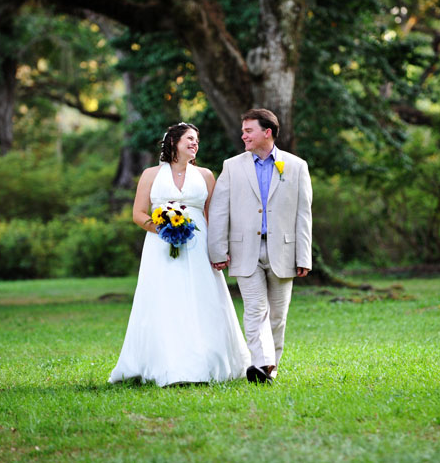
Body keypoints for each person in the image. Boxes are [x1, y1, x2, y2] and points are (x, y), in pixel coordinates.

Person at [109, 122, 250, 386]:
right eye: (189, 138)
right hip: (160, 247)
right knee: (165, 299)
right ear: (173, 142)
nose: (195, 143)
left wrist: (219, 248)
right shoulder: (150, 175)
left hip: (199, 247)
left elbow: (213, 216)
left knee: (203, 299)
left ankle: (208, 361)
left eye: (197, 139)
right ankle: (165, 363)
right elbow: (138, 214)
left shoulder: (207, 175)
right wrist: (162, 228)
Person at [208, 109, 313, 384]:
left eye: (248, 131)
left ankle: (271, 368)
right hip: (245, 251)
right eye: (243, 131)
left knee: (278, 315)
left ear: (267, 132)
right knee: (255, 309)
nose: (243, 136)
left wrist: (304, 256)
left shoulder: (296, 166)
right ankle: (261, 365)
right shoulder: (232, 166)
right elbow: (219, 211)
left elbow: (303, 214)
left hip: (284, 251)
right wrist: (217, 251)